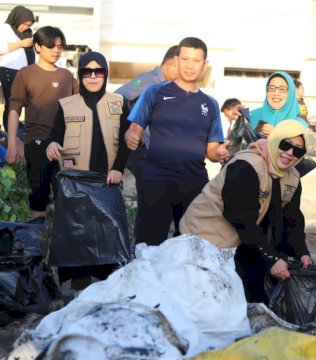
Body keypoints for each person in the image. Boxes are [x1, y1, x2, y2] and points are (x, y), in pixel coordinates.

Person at [180, 120, 312, 304]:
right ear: (274, 141)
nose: (290, 153)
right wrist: (271, 258)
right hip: (202, 239)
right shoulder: (247, 165)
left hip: (243, 241)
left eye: (297, 150)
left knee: (249, 300)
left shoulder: (292, 178)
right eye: (285, 144)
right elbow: (240, 216)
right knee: (198, 301)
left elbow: (291, 219)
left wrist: (301, 252)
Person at [124, 37, 225, 246]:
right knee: (149, 248)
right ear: (176, 60)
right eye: (185, 59)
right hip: (156, 181)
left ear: (204, 65)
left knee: (189, 248)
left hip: (194, 184)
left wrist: (221, 153)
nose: (190, 66)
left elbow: (212, 150)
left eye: (196, 61)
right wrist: (131, 136)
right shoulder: (153, 91)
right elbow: (135, 129)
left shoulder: (211, 104)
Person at [45, 51, 131, 290]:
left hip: (108, 181)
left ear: (105, 74)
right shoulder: (66, 104)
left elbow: (126, 142)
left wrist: (117, 169)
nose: (93, 76)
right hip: (76, 184)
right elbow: (54, 136)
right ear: (80, 75)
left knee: (109, 237)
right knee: (77, 236)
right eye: (87, 72)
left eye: (99, 71)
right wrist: (52, 144)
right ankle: (79, 290)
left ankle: (107, 290)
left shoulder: (119, 102)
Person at [5, 26, 78, 217]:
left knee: (68, 198)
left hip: (65, 146)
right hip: (37, 143)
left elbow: (80, 106)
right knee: (38, 200)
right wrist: (12, 142)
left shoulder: (67, 76)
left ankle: (60, 244)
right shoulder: (25, 73)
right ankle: (35, 242)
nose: (56, 50)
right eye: (50, 46)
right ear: (37, 46)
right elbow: (14, 109)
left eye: (60, 46)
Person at [114, 45, 179, 241]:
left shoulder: (171, 88)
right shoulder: (149, 80)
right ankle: (136, 242)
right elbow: (119, 96)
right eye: (180, 65)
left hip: (155, 150)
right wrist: (131, 127)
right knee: (142, 196)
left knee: (152, 198)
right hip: (137, 149)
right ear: (170, 63)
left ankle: (144, 240)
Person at [0, 5, 35, 131]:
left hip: (26, 72)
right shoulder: (5, 29)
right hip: (9, 70)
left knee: (26, 101)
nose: (26, 27)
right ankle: (9, 128)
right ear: (18, 19)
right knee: (12, 102)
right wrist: (21, 44)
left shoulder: (28, 33)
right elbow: (1, 48)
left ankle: (18, 124)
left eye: (29, 25)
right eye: (25, 24)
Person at [249, 71, 307, 139]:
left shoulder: (299, 125)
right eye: (271, 88)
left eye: (282, 89)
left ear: (291, 93)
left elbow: (299, 147)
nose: (276, 93)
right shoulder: (252, 116)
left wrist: (276, 134)